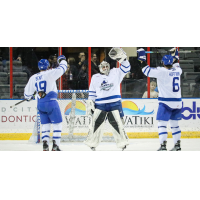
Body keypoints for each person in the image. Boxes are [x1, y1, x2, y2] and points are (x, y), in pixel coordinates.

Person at [84, 47, 130, 151]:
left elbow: (127, 68)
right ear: (100, 67)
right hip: (100, 105)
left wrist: (123, 59)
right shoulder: (95, 77)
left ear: (109, 66)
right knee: (95, 125)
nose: (105, 68)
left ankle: (122, 143)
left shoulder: (116, 72)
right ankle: (92, 143)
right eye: (103, 66)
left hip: (115, 104)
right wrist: (91, 104)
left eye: (106, 66)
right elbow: (92, 93)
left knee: (118, 124)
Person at [137, 47, 182, 151]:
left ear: (163, 63)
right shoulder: (178, 70)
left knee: (162, 124)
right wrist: (175, 55)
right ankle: (177, 145)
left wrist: (142, 58)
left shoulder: (161, 71)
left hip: (166, 102)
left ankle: (163, 146)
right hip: (178, 102)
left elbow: (146, 70)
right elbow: (176, 63)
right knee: (175, 125)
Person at [24, 55, 68, 151]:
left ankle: (45, 143)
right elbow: (62, 68)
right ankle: (56, 145)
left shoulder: (33, 77)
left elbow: (27, 94)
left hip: (40, 104)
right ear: (48, 66)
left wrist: (29, 97)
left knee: (45, 124)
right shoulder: (50, 73)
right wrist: (62, 60)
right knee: (57, 124)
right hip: (51, 102)